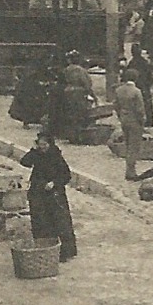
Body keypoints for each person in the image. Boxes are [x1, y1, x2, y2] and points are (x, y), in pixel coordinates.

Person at [19, 130, 77, 263]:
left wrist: (54, 183)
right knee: (41, 222)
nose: (42, 147)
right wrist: (32, 150)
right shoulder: (36, 154)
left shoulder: (56, 156)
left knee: (59, 222)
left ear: (50, 144)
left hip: (54, 195)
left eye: (45, 145)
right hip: (38, 193)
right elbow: (24, 162)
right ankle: (43, 250)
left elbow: (66, 175)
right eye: (40, 145)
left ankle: (63, 252)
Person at [113, 72, 146, 180]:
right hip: (134, 120)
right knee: (134, 146)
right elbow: (140, 109)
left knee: (127, 145)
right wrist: (142, 121)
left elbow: (116, 106)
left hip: (124, 119)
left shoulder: (119, 90)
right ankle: (131, 171)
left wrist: (120, 116)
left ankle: (129, 169)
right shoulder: (136, 91)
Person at [57, 51, 96, 143]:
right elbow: (86, 83)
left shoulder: (67, 69)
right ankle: (79, 136)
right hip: (78, 92)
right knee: (80, 113)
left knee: (70, 113)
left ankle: (71, 135)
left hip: (68, 90)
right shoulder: (80, 70)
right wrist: (91, 93)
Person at [126, 44, 153, 128]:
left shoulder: (131, 63)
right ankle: (150, 121)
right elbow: (149, 73)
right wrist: (151, 83)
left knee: (136, 104)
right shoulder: (144, 62)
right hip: (145, 85)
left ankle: (138, 120)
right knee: (147, 103)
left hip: (136, 85)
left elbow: (127, 74)